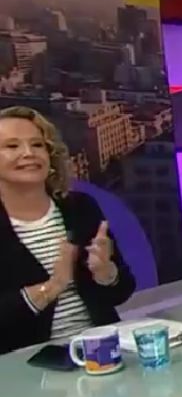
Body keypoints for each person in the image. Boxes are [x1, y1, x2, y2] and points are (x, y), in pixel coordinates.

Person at [0, 106, 135, 354]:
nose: (29, 153)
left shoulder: (80, 207)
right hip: (26, 363)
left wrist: (106, 273)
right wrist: (50, 288)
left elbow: (121, 291)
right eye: (12, 146)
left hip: (101, 351)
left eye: (38, 145)